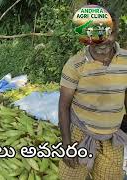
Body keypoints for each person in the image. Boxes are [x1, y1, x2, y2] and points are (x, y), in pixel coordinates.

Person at [58, 10, 127, 180]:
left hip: (112, 136)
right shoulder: (75, 64)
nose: (103, 40)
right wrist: (67, 145)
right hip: (79, 135)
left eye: (109, 33)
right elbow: (63, 106)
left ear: (116, 32)